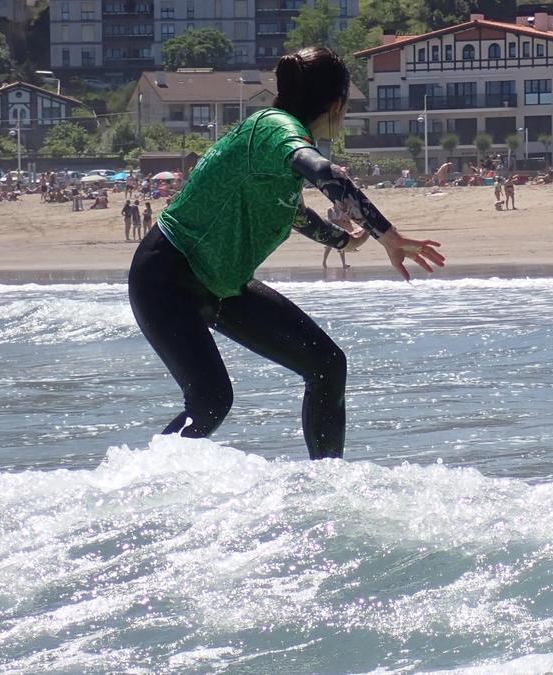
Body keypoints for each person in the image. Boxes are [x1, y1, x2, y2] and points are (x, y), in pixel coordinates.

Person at [128, 46, 444, 458]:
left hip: (220, 282)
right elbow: (326, 173)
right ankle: (144, 481)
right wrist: (388, 235)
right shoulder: (276, 128)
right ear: (337, 102)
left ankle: (326, 485)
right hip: (166, 276)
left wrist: (344, 241)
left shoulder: (272, 140)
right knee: (210, 401)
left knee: (327, 365)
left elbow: (292, 212)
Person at [322, 203, 355, 269]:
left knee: (342, 247)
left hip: (340, 230)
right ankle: (324, 262)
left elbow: (344, 220)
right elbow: (330, 220)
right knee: (329, 247)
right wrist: (339, 222)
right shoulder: (330, 210)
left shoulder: (341, 210)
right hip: (332, 230)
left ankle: (343, 264)